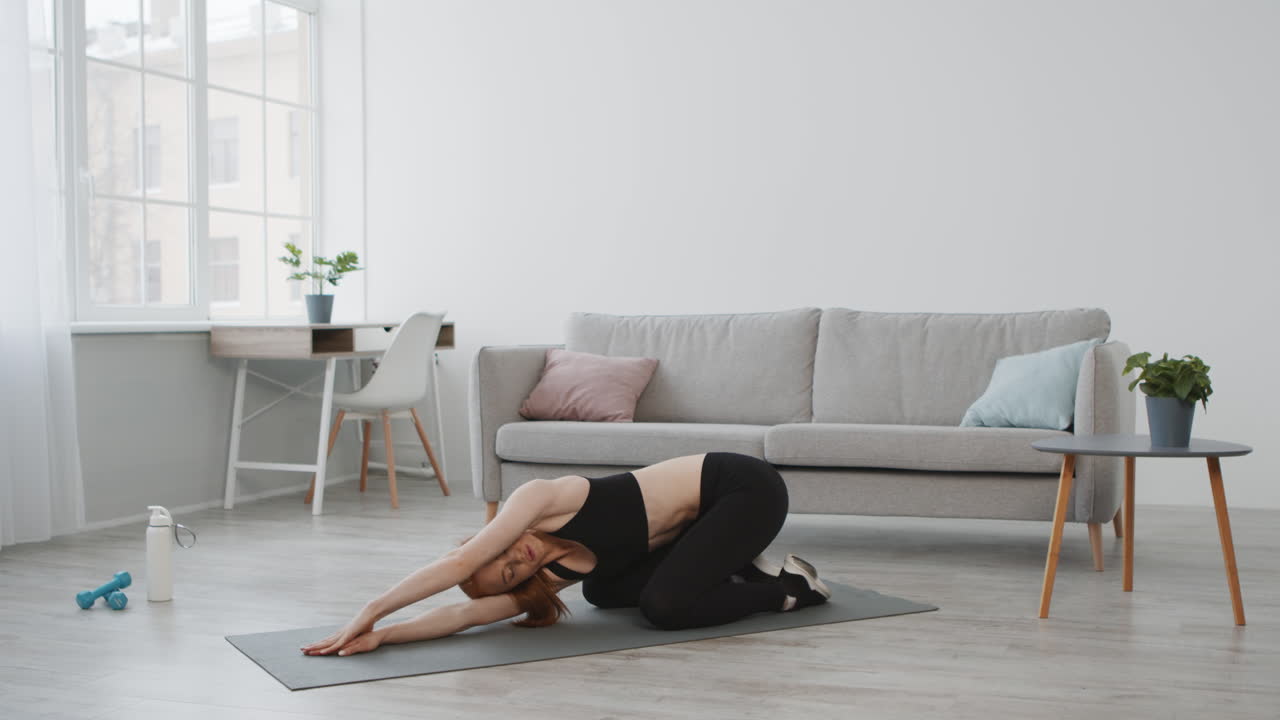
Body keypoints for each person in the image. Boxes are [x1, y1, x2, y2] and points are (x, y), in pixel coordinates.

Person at [302, 452, 831, 657]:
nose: (520, 560)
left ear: (489, 538)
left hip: (744, 489)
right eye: (513, 574)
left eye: (502, 553)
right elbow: (464, 615)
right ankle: (738, 565)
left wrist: (372, 610)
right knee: (601, 590)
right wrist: (386, 636)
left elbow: (458, 566)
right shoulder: (552, 573)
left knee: (663, 608)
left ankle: (787, 591)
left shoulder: (539, 500)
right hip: (702, 526)